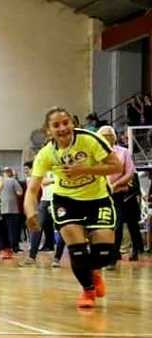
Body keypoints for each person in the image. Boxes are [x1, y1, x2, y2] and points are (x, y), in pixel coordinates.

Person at [25, 107, 123, 308]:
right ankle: (88, 290)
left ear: (73, 124)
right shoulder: (45, 154)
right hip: (66, 201)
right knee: (77, 251)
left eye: (65, 123)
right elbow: (32, 189)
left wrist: (84, 169)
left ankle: (95, 272)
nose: (62, 128)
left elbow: (116, 167)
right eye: (56, 125)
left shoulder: (89, 140)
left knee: (105, 254)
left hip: (97, 199)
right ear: (48, 131)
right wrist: (30, 212)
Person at [101, 125, 143, 269]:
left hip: (122, 195)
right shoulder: (97, 154)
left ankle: (114, 258)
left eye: (109, 136)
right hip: (102, 195)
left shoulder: (123, 152)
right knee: (106, 226)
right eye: (104, 136)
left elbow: (130, 173)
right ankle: (109, 255)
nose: (107, 139)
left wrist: (115, 186)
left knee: (121, 225)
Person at [0, 167, 24, 256]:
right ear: (11, 173)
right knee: (13, 229)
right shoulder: (13, 181)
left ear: (4, 173)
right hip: (13, 209)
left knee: (4, 229)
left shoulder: (1, 182)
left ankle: (4, 246)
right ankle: (14, 247)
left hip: (3, 209)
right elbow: (20, 192)